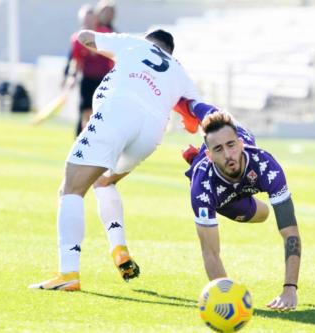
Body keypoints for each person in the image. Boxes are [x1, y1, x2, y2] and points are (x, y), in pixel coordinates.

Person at [29, 29, 202, 291]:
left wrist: (107, 46)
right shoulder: (182, 73)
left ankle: (68, 273)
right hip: (152, 132)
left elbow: (84, 37)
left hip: (118, 111)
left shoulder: (132, 43)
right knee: (104, 181)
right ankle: (118, 247)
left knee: (71, 187)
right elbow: (194, 117)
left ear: (148, 40)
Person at [181, 103, 301, 311]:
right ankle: (195, 159)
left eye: (231, 145)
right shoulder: (202, 187)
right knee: (257, 212)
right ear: (210, 155)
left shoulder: (265, 166)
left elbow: (290, 233)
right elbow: (210, 252)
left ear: (241, 143)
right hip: (222, 198)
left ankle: (195, 155)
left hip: (246, 183)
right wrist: (227, 300)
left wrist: (290, 288)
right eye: (218, 149)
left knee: (265, 214)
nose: (228, 154)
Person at [63, 4, 114, 136]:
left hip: (104, 79)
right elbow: (76, 60)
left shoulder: (105, 34)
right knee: (85, 110)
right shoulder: (77, 38)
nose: (88, 22)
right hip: (87, 79)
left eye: (91, 19)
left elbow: (114, 55)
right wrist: (72, 77)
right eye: (86, 19)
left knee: (102, 111)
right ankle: (85, 137)